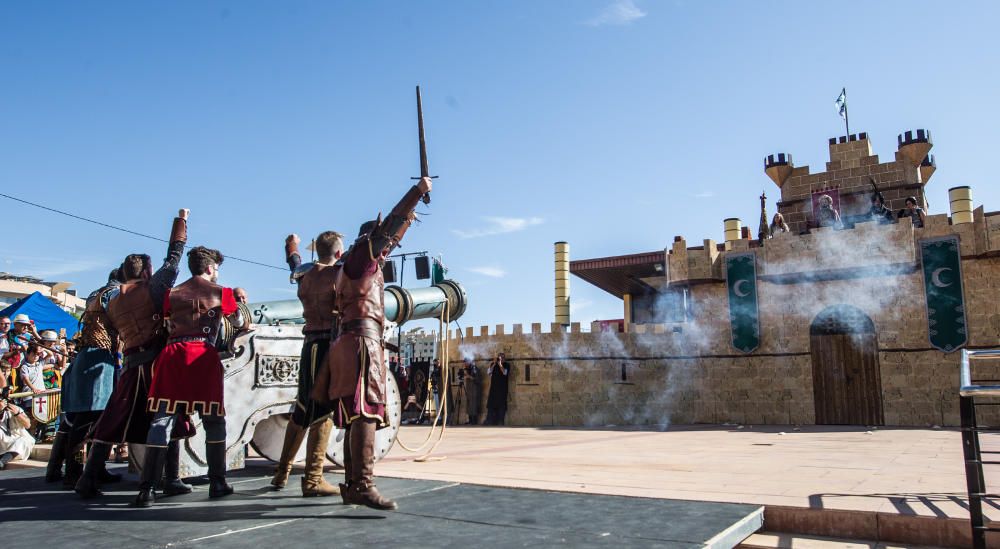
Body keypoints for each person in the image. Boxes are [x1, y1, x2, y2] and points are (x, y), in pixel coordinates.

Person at [315, 176, 432, 511]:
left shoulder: (357, 264)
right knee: (365, 413)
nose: (388, 247)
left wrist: (410, 218)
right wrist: (416, 192)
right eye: (382, 242)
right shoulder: (361, 259)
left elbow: (392, 234)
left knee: (357, 416)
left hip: (353, 342)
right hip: (360, 344)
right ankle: (362, 485)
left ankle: (354, 486)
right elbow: (388, 230)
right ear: (370, 239)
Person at [76, 209, 190, 499]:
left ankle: (88, 479)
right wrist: (182, 221)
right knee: (168, 418)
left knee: (115, 418)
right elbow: (174, 258)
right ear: (147, 272)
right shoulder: (152, 289)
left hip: (130, 363)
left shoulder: (111, 299)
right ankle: (171, 479)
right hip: (154, 364)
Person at [134, 245, 245, 507]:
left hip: (173, 355)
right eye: (216, 268)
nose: (216, 272)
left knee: (161, 422)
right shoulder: (221, 292)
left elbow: (167, 320)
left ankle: (147, 489)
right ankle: (217, 482)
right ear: (209, 268)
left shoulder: (172, 293)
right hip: (203, 355)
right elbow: (239, 321)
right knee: (214, 421)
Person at [270, 231, 344, 497]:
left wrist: (291, 244)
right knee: (323, 411)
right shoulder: (338, 274)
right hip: (328, 345)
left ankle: (282, 473)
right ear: (338, 253)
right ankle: (313, 479)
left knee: (302, 409)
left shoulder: (304, 274)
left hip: (309, 343)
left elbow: (294, 261)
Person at [48, 270, 122, 488]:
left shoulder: (95, 293)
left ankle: (85, 469)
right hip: (98, 358)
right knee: (87, 419)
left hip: (87, 357)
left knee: (81, 419)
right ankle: (75, 471)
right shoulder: (114, 293)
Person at [0, 387, 35, 470]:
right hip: (3, 443)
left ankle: (2, 461)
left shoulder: (16, 409)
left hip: (17, 440)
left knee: (22, 442)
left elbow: (28, 425)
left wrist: (17, 414)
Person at [485, 352, 510, 425]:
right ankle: (490, 421)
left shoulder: (507, 365)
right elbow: (488, 373)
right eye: (499, 358)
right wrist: (494, 363)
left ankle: (500, 421)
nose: (500, 359)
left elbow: (504, 373)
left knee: (501, 405)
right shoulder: (494, 365)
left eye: (502, 358)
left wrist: (500, 364)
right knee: (491, 404)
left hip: (502, 389)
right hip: (493, 389)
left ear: (504, 358)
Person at [461, 359, 482, 425]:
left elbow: (477, 379)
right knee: (469, 405)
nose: (464, 365)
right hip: (469, 390)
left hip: (474, 390)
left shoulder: (475, 369)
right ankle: (470, 420)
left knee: (474, 405)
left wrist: (469, 376)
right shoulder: (468, 369)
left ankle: (474, 421)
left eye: (465, 363)